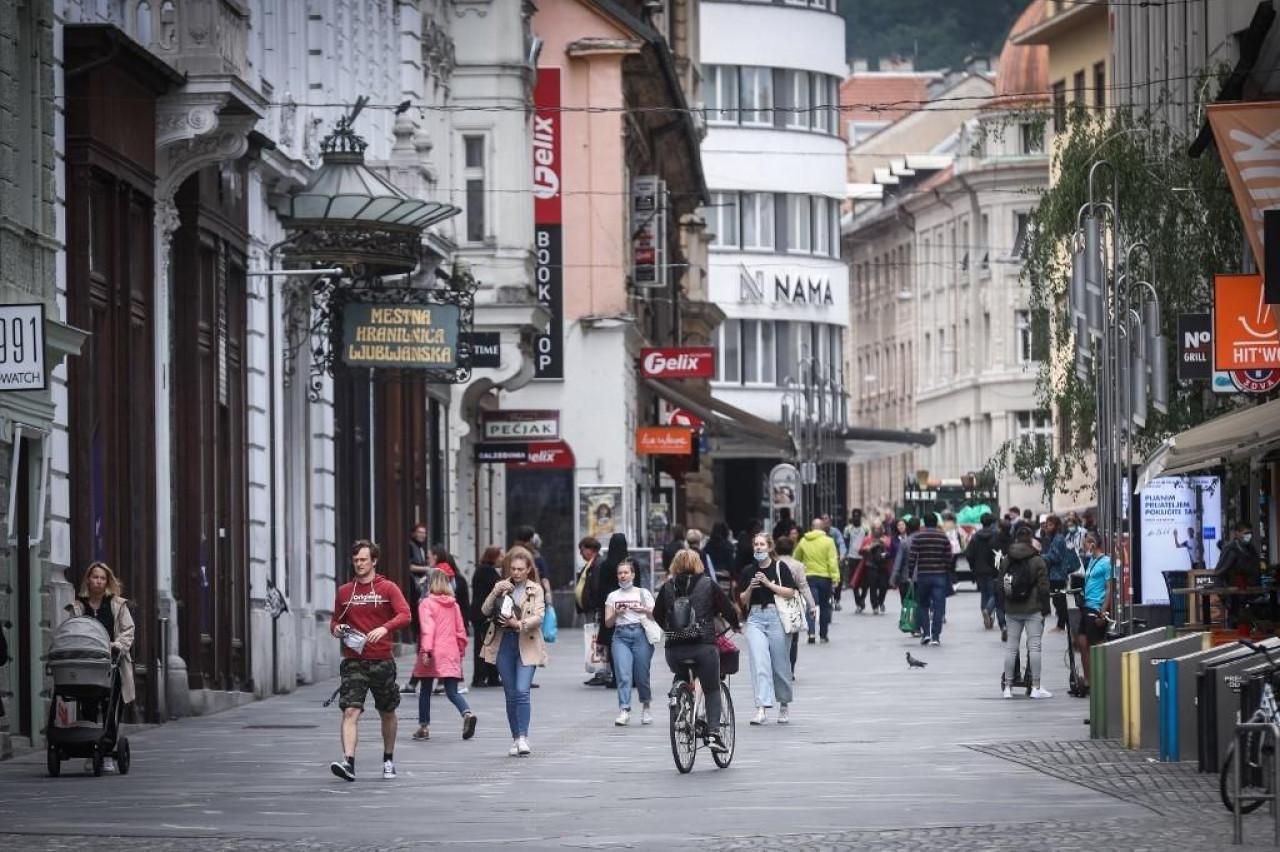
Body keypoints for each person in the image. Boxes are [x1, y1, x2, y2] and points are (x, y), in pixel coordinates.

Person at [329, 539, 411, 782]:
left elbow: (405, 614)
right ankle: (348, 762)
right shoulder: (344, 591)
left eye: (364, 559)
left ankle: (388, 759)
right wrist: (337, 629)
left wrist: (385, 629)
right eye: (356, 560)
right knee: (350, 710)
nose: (359, 564)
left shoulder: (387, 588)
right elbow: (334, 621)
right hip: (354, 660)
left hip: (382, 659)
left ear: (374, 561)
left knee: (387, 711)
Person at [654, 549, 739, 752]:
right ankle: (713, 734)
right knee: (711, 688)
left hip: (674, 650)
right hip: (704, 648)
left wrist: (672, 629)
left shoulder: (667, 587)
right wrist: (736, 624)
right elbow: (728, 609)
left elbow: (657, 614)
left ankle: (680, 703)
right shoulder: (708, 584)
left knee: (681, 672)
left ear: (675, 566)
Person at [67, 562, 135, 773]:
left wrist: (118, 645)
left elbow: (128, 630)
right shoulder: (78, 606)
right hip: (87, 663)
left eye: (102, 578)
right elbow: (71, 630)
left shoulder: (116, 604)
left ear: (107, 581)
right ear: (88, 579)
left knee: (110, 707)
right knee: (87, 705)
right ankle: (89, 748)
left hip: (111, 663)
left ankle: (106, 750)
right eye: (95, 577)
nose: (98, 581)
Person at [480, 545, 547, 757]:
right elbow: (484, 610)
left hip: (527, 641)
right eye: (513, 568)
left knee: (522, 691)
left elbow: (539, 616)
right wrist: (495, 591)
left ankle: (524, 737)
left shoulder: (535, 589)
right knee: (510, 694)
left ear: (528, 569)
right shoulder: (502, 586)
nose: (516, 572)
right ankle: (515, 738)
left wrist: (518, 623)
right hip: (504, 644)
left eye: (520, 569)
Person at [737, 532, 801, 725]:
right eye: (755, 544)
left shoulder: (780, 567)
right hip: (755, 618)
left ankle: (783, 704)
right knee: (759, 663)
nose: (758, 547)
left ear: (770, 547)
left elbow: (790, 592)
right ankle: (761, 708)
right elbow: (742, 599)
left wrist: (768, 585)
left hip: (776, 618)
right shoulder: (749, 571)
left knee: (781, 665)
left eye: (762, 544)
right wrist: (750, 588)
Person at [412, 569, 476, 742]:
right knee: (452, 691)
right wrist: (460, 652)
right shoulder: (454, 605)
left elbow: (428, 629)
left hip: (433, 651)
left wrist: (426, 651)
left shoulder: (426, 604)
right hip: (451, 651)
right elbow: (461, 632)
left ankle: (423, 727)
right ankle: (467, 713)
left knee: (425, 690)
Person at [999, 526, 1052, 699]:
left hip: (1012, 608)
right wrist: (1045, 609)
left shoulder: (1007, 559)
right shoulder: (1038, 560)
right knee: (1034, 646)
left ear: (1016, 539)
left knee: (1011, 648)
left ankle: (1008, 687)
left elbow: (1001, 583)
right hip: (1033, 608)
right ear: (1030, 540)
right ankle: (1035, 687)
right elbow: (1044, 588)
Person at [604, 559, 656, 726]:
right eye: (620, 573)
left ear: (633, 574)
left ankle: (646, 706)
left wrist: (644, 610)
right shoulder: (613, 596)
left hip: (641, 634)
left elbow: (656, 616)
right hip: (620, 636)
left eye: (626, 572)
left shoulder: (643, 593)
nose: (623, 576)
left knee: (642, 676)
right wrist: (616, 614)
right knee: (623, 674)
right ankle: (624, 709)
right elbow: (607, 623)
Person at [1075, 531, 1113, 692]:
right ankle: (1089, 680)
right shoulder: (1091, 560)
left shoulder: (1106, 562)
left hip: (1096, 608)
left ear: (1094, 543)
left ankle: (1104, 680)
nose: (1085, 545)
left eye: (1087, 542)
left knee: (1096, 644)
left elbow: (1110, 588)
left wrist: (1103, 611)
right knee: (1082, 643)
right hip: (1086, 606)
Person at [589, 533, 628, 688]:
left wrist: (600, 608)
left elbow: (601, 588)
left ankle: (616, 677)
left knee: (612, 643)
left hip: (610, 608)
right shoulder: (631, 564)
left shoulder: (606, 565)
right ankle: (630, 677)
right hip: (628, 607)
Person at [775, 536, 818, 672]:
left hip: (774, 601)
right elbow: (804, 586)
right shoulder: (797, 565)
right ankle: (791, 668)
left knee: (776, 636)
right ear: (792, 549)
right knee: (793, 638)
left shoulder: (772, 563)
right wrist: (812, 605)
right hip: (793, 602)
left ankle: (779, 665)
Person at [909, 513, 953, 646]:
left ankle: (926, 634)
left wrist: (911, 573)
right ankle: (936, 636)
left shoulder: (918, 537)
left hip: (923, 575)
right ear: (936, 522)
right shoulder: (943, 537)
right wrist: (945, 568)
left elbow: (912, 557)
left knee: (923, 605)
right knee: (938, 607)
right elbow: (949, 556)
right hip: (939, 576)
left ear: (925, 523)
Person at [794, 518, 839, 645]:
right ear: (822, 528)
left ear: (811, 527)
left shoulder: (803, 541)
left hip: (809, 577)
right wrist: (835, 578)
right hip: (825, 578)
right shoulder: (829, 541)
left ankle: (811, 633)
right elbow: (832, 560)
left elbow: (796, 557)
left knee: (811, 606)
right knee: (825, 606)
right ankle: (823, 635)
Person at [401, 523, 432, 694]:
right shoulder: (411, 547)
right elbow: (410, 567)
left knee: (426, 649)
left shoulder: (419, 547)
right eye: (420, 532)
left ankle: (415, 682)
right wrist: (428, 569)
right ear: (413, 533)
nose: (422, 535)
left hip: (420, 599)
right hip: (415, 595)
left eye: (424, 532)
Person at [965, 513, 1005, 636]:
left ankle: (986, 616)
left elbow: (969, 554)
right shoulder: (996, 536)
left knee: (984, 593)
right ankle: (988, 610)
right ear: (992, 522)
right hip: (993, 569)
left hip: (979, 570)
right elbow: (999, 553)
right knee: (994, 593)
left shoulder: (975, 536)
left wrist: (973, 566)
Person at [470, 546, 503, 688]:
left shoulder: (484, 569)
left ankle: (491, 676)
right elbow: (498, 588)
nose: (502, 559)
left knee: (489, 645)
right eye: (500, 556)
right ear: (493, 557)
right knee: (483, 645)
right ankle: (480, 677)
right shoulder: (486, 570)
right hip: (482, 613)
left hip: (482, 612)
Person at [1040, 515, 1069, 632]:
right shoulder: (1054, 538)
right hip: (1055, 574)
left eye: (1050, 525)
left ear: (1056, 526)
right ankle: (1061, 623)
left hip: (1058, 574)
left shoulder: (1058, 538)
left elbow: (1055, 556)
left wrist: (1042, 557)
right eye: (1047, 524)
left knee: (1059, 599)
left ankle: (1061, 625)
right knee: (1057, 599)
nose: (1048, 527)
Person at [858, 521, 891, 615]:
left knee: (884, 586)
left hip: (883, 566)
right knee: (872, 586)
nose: (877, 530)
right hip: (871, 565)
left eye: (879, 528)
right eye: (875, 528)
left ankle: (880, 602)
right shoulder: (868, 539)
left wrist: (885, 544)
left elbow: (891, 549)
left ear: (881, 529)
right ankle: (875, 606)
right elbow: (860, 550)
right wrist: (867, 548)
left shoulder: (886, 539)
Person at [844, 510, 870, 612]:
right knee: (853, 581)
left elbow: (868, 541)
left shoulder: (865, 528)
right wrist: (845, 554)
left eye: (857, 516)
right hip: (852, 557)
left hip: (863, 558)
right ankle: (858, 602)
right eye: (854, 516)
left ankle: (862, 599)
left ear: (860, 517)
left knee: (865, 582)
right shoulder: (848, 529)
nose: (856, 518)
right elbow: (845, 542)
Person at [704, 522, 736, 594]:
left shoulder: (707, 546)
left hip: (711, 576)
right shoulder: (728, 546)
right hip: (724, 577)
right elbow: (731, 564)